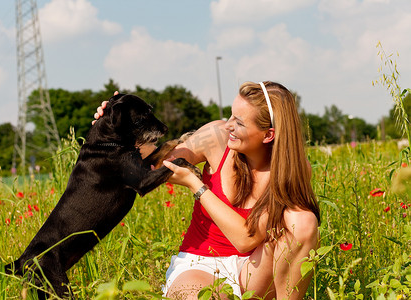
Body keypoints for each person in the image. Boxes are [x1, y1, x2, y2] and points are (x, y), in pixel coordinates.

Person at [94, 81, 320, 299]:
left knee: (302, 223)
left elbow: (246, 240)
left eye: (239, 123)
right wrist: (114, 130)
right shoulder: (217, 137)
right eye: (231, 115)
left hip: (253, 269)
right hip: (200, 265)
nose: (229, 125)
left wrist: (196, 185)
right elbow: (154, 163)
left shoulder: (291, 170)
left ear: (268, 135)